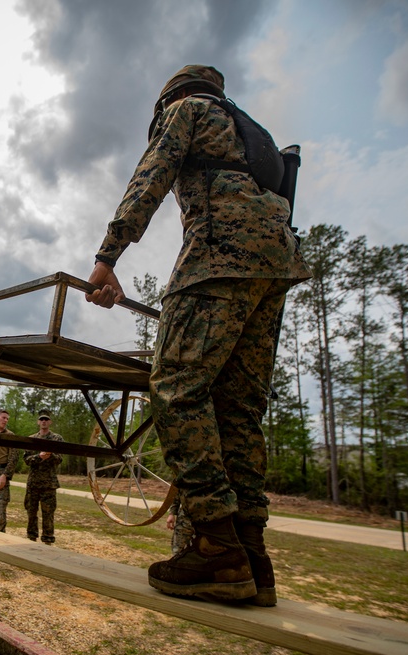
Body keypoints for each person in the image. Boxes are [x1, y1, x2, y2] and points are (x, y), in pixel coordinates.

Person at [84, 65, 311, 606]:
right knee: (238, 406)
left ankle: (214, 544)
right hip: (276, 266)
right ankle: (252, 556)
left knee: (175, 386)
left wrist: (107, 256)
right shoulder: (255, 136)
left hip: (219, 257)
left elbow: (152, 174)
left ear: (171, 98)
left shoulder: (187, 111)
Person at [23, 409, 63, 544]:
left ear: (50, 422)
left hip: (49, 484)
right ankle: (31, 537)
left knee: (48, 513)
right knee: (31, 512)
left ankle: (48, 539)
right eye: (41, 419)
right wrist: (39, 457)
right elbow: (27, 460)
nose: (44, 422)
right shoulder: (32, 438)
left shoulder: (56, 438)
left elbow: (60, 459)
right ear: (38, 422)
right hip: (33, 483)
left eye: (46, 419)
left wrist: (50, 455)